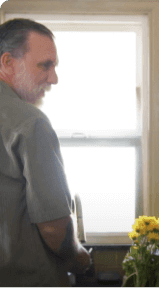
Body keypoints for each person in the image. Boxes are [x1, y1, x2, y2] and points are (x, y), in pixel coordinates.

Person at [0, 18, 91, 286]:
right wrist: (81, 259)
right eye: (45, 65)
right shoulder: (31, 122)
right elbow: (53, 228)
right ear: (7, 63)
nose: (54, 78)